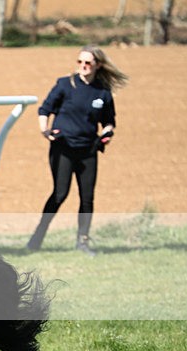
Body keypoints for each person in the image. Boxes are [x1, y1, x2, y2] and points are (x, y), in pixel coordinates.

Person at [27, 44, 128, 256]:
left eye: (88, 63)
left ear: (97, 65)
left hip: (88, 150)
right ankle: (37, 236)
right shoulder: (65, 85)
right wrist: (45, 130)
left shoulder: (102, 91)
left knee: (87, 197)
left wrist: (107, 134)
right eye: (80, 62)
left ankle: (83, 241)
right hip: (63, 148)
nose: (83, 66)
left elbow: (109, 122)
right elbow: (45, 109)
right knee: (60, 193)